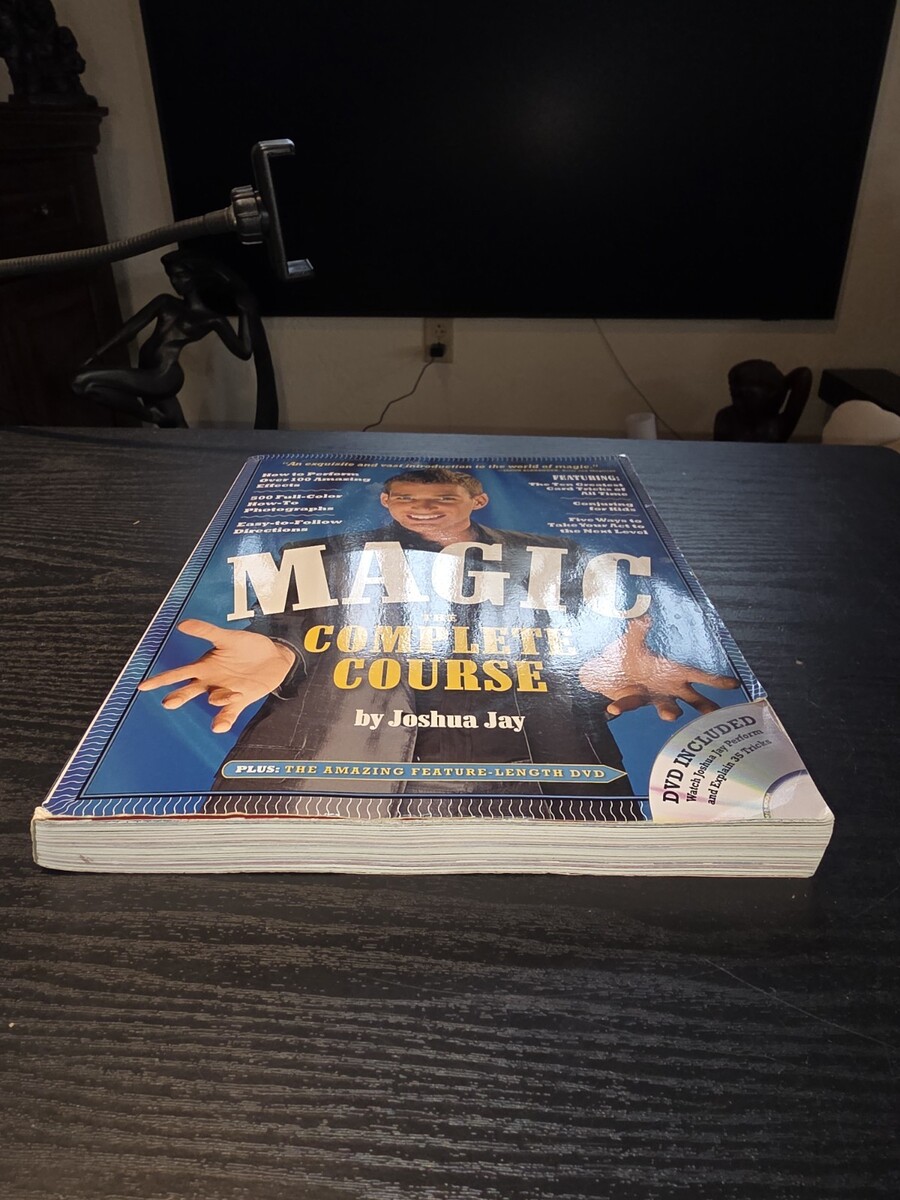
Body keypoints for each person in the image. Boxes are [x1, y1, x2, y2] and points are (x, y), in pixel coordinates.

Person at [138, 468, 739, 814]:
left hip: (535, 777)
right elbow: (283, 635)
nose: (421, 509)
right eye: (406, 498)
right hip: (342, 770)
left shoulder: (561, 558)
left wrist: (610, 663)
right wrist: (278, 655)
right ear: (386, 501)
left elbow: (600, 644)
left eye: (441, 498)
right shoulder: (317, 556)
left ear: (477, 500)